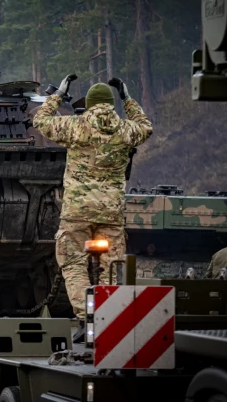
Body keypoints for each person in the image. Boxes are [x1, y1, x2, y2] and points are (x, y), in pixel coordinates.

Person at [33, 77, 153, 342]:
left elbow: (40, 121)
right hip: (111, 211)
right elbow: (146, 126)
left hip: (77, 210)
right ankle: (108, 319)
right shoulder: (125, 130)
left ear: (88, 105)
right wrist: (127, 98)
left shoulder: (76, 126)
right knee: (111, 268)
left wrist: (57, 95)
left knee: (74, 264)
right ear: (111, 104)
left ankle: (86, 317)